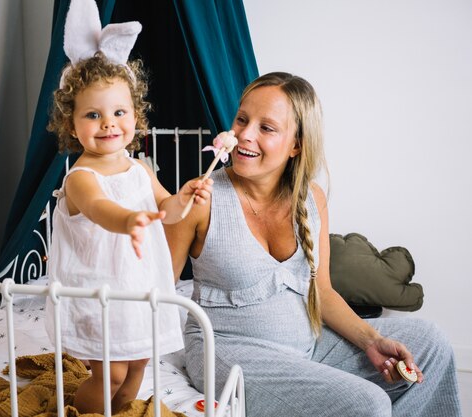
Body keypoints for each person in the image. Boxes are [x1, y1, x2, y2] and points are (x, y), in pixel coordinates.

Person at [164, 72, 462, 416]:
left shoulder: (312, 199)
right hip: (230, 354)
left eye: (267, 128)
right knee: (368, 403)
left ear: (296, 144)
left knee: (433, 344)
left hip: (309, 345)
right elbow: (159, 289)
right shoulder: (202, 198)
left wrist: (371, 340)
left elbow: (321, 292)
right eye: (242, 119)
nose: (244, 134)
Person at [43, 24, 213, 416]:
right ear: (72, 125)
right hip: (100, 294)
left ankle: (119, 412)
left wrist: (184, 198)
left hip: (138, 289)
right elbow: (103, 211)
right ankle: (86, 413)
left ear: (135, 116)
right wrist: (130, 219)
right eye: (93, 114)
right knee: (111, 374)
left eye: (119, 112)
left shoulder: (140, 169)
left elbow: (166, 210)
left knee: (137, 369)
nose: (109, 123)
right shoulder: (81, 179)